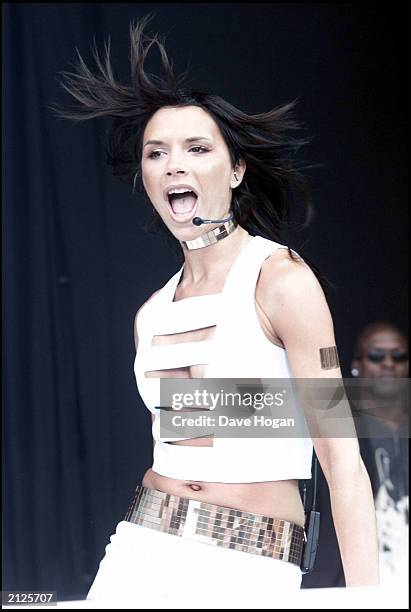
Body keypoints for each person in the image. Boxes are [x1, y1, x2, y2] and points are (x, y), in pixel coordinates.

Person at [53, 15, 379, 604]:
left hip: (247, 559)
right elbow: (205, 427)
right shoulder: (150, 314)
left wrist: (370, 599)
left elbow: (338, 451)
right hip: (139, 550)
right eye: (157, 153)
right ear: (146, 178)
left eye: (197, 149)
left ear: (235, 170)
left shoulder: (281, 280)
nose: (174, 164)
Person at [351, 321, 409, 585]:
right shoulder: (343, 433)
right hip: (361, 579)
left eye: (398, 356)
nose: (388, 363)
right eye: (377, 355)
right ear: (357, 366)